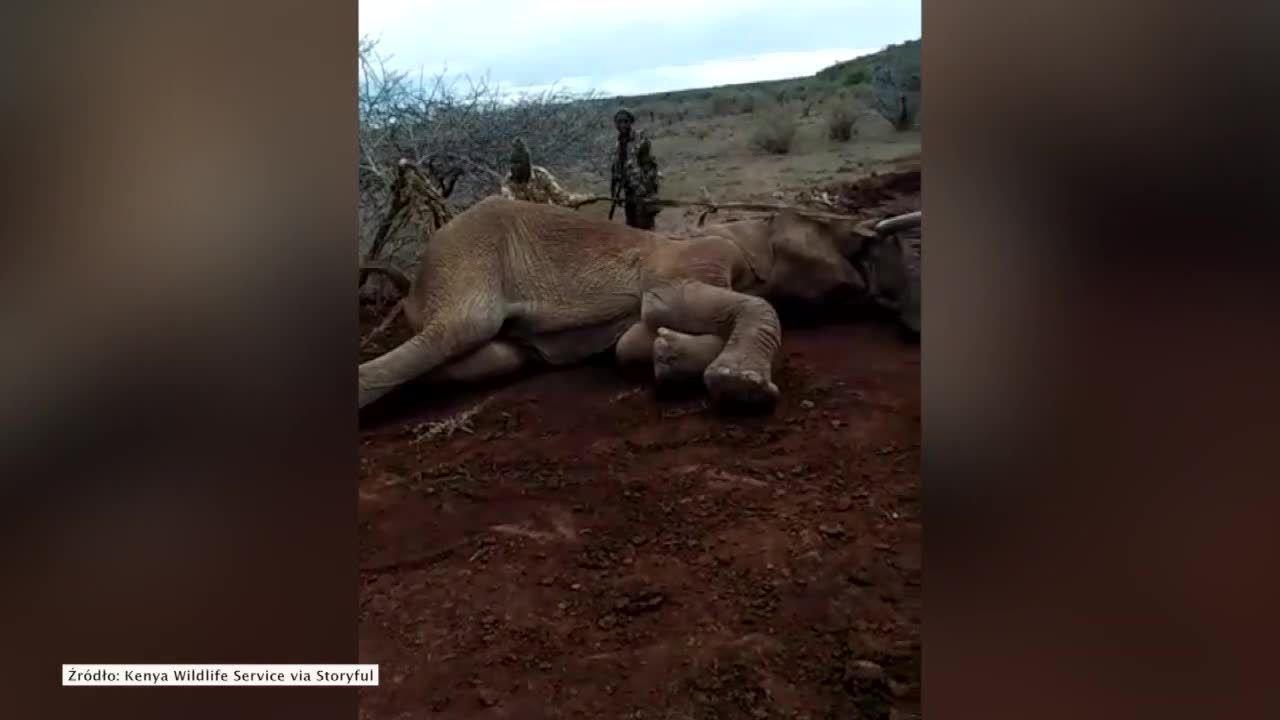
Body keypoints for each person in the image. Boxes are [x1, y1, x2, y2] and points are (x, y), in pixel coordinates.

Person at [500, 138, 590, 208]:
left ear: (526, 163)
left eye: (518, 163)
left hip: (545, 219)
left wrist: (586, 199)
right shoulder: (508, 183)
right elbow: (510, 206)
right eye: (512, 163)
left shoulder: (541, 175)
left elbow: (561, 198)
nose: (513, 167)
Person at [609, 108, 661, 229]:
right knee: (631, 226)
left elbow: (650, 166)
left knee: (645, 226)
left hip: (642, 189)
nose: (622, 125)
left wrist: (649, 192)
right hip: (628, 190)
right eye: (619, 122)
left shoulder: (640, 139)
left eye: (625, 121)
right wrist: (614, 191)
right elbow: (616, 168)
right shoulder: (619, 142)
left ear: (630, 122)